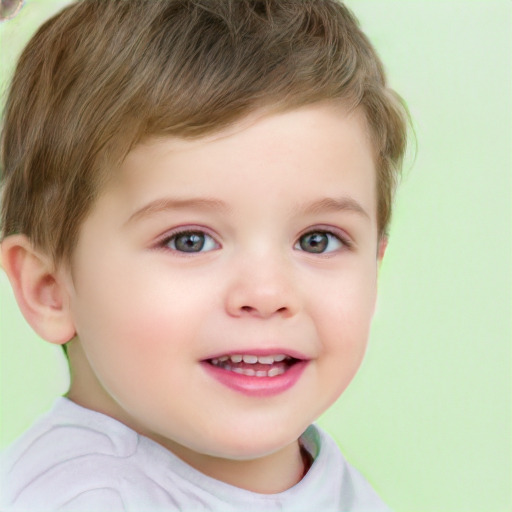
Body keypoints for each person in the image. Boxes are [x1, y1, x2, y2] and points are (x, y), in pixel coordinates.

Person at [0, 0, 408, 510]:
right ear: (49, 289)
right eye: (189, 240)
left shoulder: (327, 480)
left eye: (317, 240)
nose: (267, 293)